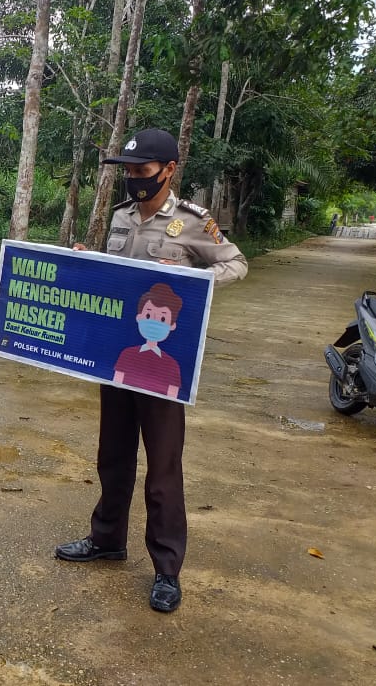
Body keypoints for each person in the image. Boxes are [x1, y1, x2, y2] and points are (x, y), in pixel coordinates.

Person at [57, 128, 247, 613]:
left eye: (142, 171)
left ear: (169, 170)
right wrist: (88, 263)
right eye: (128, 172)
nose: (134, 179)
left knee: (162, 469)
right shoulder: (121, 216)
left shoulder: (193, 222)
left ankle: (166, 569)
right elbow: (117, 277)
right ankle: (106, 539)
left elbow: (236, 264)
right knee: (112, 455)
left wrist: (191, 278)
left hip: (165, 367)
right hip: (118, 356)